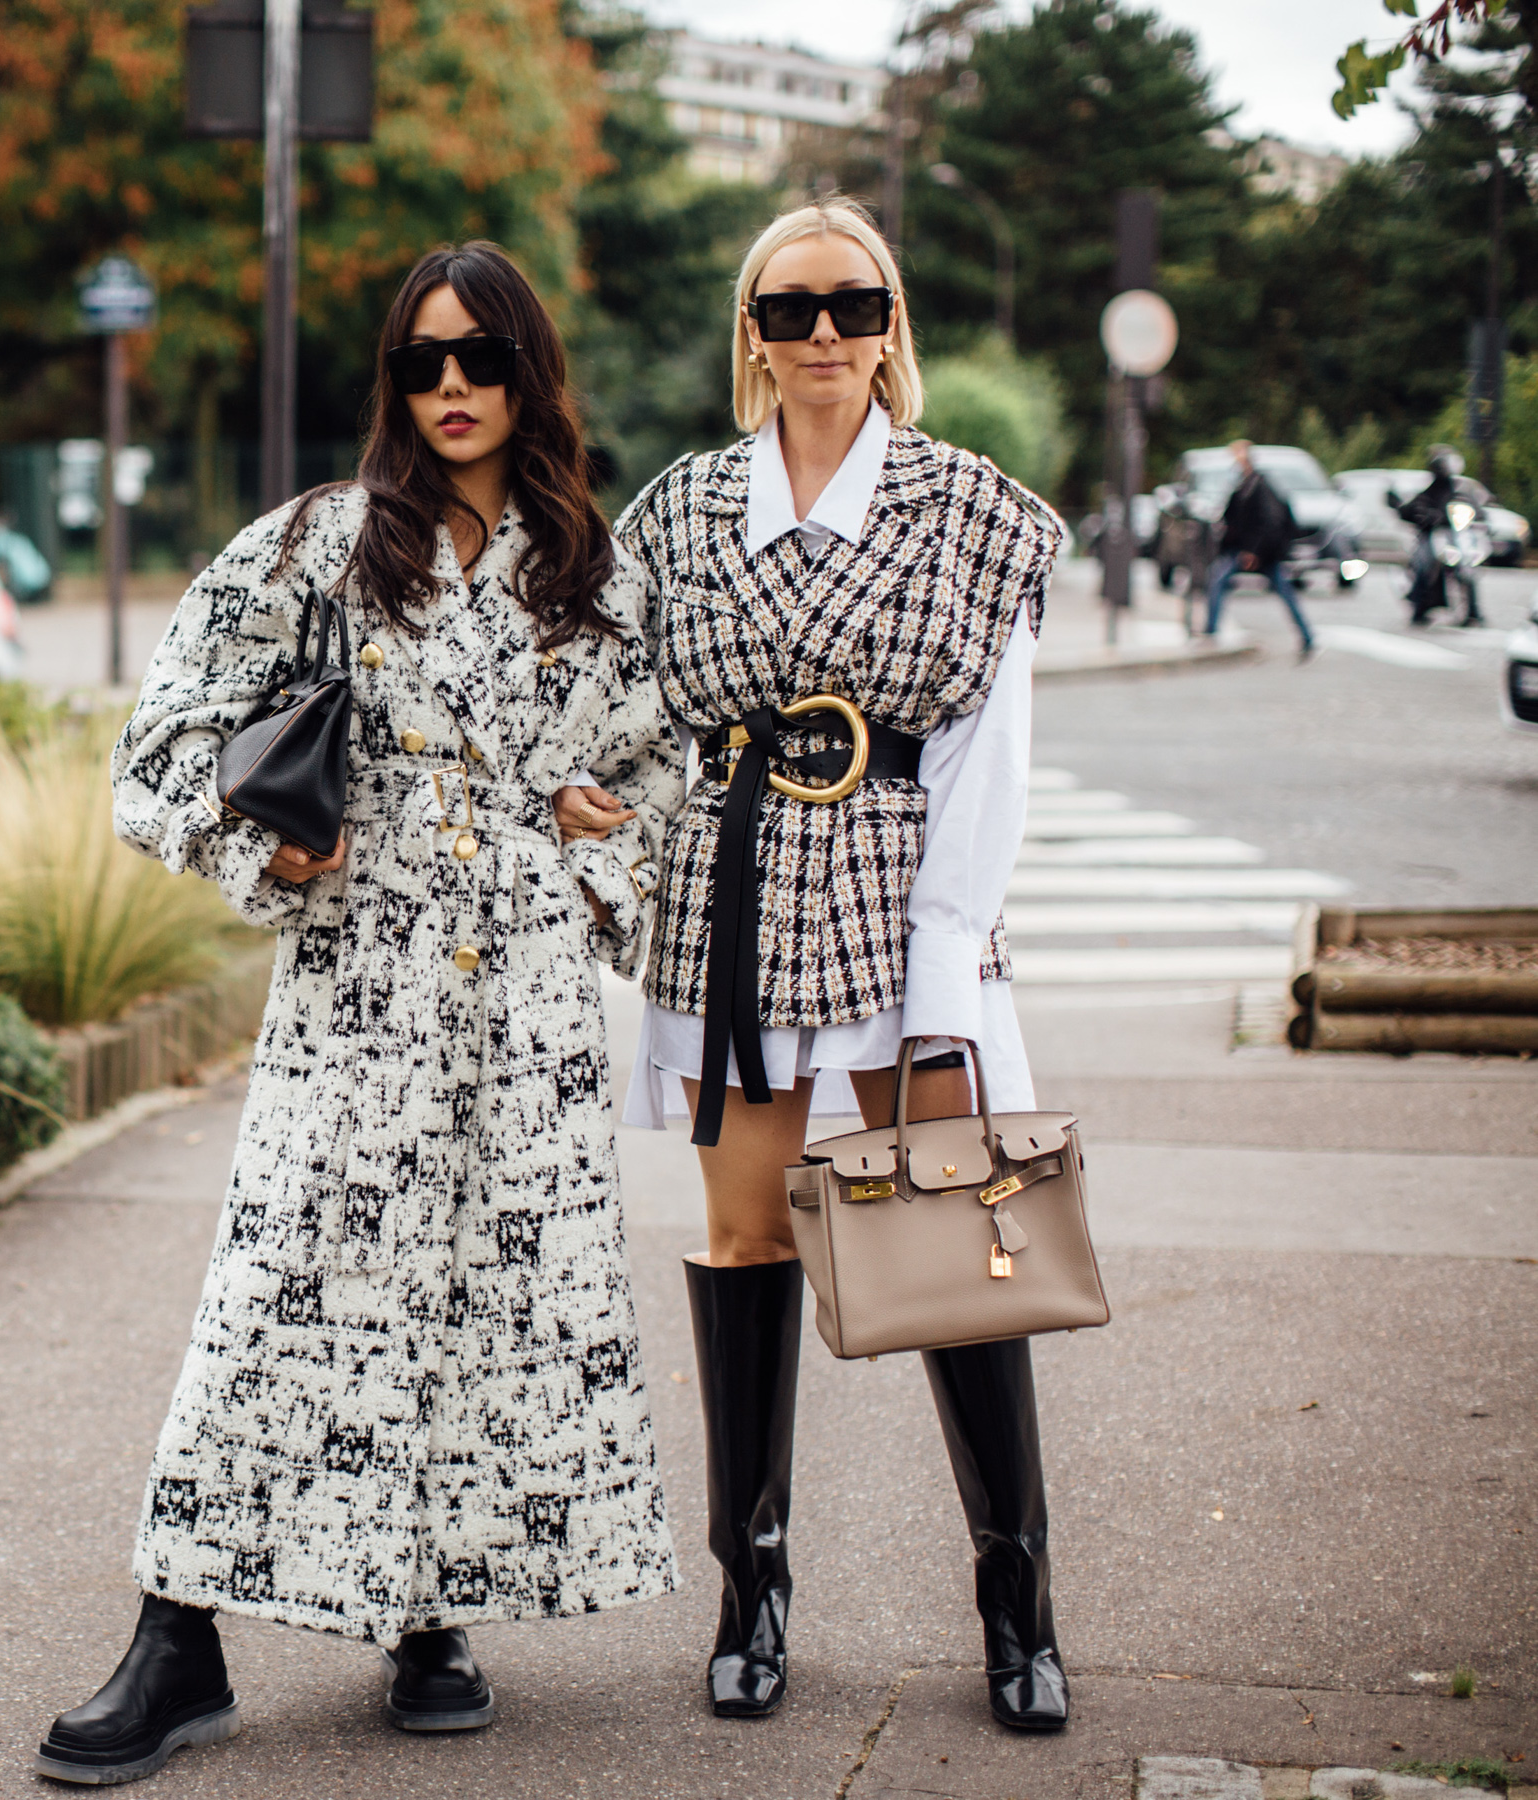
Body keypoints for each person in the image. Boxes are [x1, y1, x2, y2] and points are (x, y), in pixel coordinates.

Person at [38, 242, 687, 1786]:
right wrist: (270, 839)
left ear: (530, 375)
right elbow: (162, 744)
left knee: (486, 1302)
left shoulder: (591, 567)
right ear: (392, 380)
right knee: (278, 1295)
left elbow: (669, 769)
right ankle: (176, 1634)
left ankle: (432, 1615)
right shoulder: (318, 547)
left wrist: (598, 841)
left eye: (481, 359)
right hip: (360, 990)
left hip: (525, 1005)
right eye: (422, 361)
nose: (452, 387)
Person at [556, 196, 1075, 1735]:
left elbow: (995, 756)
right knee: (742, 1240)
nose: (826, 335)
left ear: (893, 322)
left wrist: (943, 965)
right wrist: (602, 794)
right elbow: (629, 707)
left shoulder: (972, 511)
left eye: (854, 305)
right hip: (729, 901)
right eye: (792, 311)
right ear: (753, 335)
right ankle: (753, 1587)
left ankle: (1019, 1600)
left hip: (909, 890)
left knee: (955, 1248)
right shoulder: (681, 510)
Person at [1203, 440, 1316, 655]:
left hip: (1257, 551)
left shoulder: (1257, 486)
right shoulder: (1245, 485)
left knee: (1218, 580)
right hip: (1254, 550)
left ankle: (1211, 631)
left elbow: (1268, 521)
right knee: (1282, 591)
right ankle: (1307, 636)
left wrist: (1252, 551)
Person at [1398, 446, 1481, 626]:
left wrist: (1479, 515)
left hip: (1456, 536)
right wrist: (1419, 513)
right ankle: (1419, 607)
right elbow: (1409, 509)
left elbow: (1476, 510)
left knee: (1469, 566)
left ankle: (1473, 611)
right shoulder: (1429, 491)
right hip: (1433, 536)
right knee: (1424, 562)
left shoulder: (1461, 491)